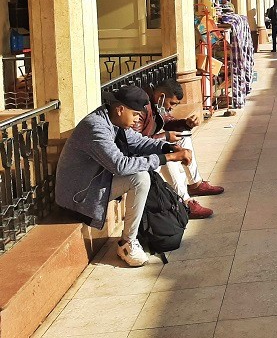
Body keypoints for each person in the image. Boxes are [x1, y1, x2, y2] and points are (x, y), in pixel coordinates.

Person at [55, 85, 193, 267]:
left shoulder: (112, 119)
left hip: (96, 181)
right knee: (140, 178)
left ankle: (130, 239)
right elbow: (120, 165)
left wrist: (166, 147)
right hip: (79, 195)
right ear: (120, 109)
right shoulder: (96, 127)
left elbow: (136, 141)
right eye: (135, 114)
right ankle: (127, 243)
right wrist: (167, 157)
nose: (137, 119)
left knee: (142, 173)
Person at [134, 79, 224, 219]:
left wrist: (185, 123)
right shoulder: (141, 107)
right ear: (162, 96)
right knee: (168, 154)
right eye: (172, 103)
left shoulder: (156, 103)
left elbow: (168, 121)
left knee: (183, 136)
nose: (171, 108)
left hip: (148, 144)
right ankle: (185, 202)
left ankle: (195, 183)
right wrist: (165, 137)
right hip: (136, 156)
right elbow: (136, 142)